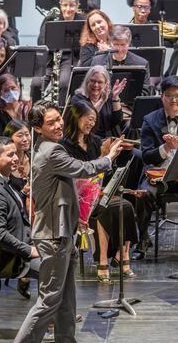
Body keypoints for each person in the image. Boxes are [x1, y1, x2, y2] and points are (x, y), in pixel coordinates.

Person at [1, 100, 123, 343]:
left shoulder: (46, 148)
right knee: (49, 300)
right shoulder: (51, 151)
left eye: (58, 120)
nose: (57, 126)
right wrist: (109, 157)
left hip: (62, 230)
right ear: (38, 128)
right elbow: (83, 168)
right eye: (50, 122)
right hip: (52, 236)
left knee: (66, 298)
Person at [59, 99, 138, 283]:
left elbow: (104, 174)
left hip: (96, 194)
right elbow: (75, 175)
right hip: (76, 198)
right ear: (76, 118)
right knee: (105, 210)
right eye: (88, 118)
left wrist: (108, 156)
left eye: (94, 120)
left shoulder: (94, 141)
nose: (91, 123)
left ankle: (122, 255)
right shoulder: (64, 146)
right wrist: (103, 158)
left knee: (126, 205)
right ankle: (103, 261)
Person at [135, 76, 178, 262]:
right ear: (162, 97)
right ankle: (142, 239)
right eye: (169, 95)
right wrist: (166, 148)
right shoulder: (150, 120)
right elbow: (146, 156)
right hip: (159, 176)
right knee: (143, 193)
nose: (174, 100)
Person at [0, 136, 40, 297]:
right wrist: (29, 250)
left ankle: (61, 313)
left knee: (68, 254)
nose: (16, 158)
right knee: (58, 266)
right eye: (10, 155)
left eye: (15, 154)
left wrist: (23, 193)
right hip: (15, 259)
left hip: (25, 241)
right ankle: (52, 316)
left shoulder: (2, 181)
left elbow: (11, 206)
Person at [31, 0, 86, 104]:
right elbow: (41, 42)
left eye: (72, 5)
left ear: (77, 6)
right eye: (65, 5)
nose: (68, 9)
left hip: (68, 58)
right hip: (50, 58)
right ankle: (35, 113)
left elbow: (84, 46)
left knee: (64, 84)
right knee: (36, 84)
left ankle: (60, 112)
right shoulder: (51, 19)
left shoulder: (83, 21)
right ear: (60, 5)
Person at [91, 25, 152, 96]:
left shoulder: (142, 63)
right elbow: (91, 87)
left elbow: (146, 91)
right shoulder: (97, 61)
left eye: (123, 45)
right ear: (110, 44)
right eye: (116, 44)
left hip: (129, 104)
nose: (119, 49)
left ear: (128, 44)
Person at [70, 65, 127, 139]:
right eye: (93, 81)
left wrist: (115, 97)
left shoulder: (108, 97)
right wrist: (102, 101)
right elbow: (86, 120)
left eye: (100, 82)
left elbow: (117, 120)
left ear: (106, 84)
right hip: (89, 140)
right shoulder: (78, 98)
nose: (96, 85)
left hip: (109, 140)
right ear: (87, 81)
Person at [0, 73, 32, 139]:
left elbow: (33, 133)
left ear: (18, 87)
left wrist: (27, 117)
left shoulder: (26, 106)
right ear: (0, 93)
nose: (11, 92)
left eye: (13, 88)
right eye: (6, 90)